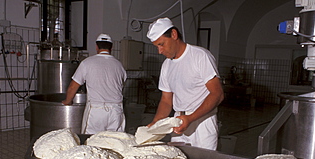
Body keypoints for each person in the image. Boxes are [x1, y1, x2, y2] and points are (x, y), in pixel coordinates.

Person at [146, 17, 224, 150]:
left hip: (202, 121)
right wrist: (155, 123)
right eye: (157, 46)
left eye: (161, 44)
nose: (160, 51)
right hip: (178, 121)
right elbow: (166, 100)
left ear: (174, 35)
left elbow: (217, 94)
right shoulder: (167, 65)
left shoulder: (200, 56)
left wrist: (190, 118)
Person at [62, 33, 127, 134]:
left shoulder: (87, 63)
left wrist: (67, 101)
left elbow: (73, 87)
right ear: (111, 47)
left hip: (96, 111)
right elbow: (121, 86)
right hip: (116, 110)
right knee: (115, 141)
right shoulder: (119, 65)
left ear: (96, 46)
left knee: (92, 141)